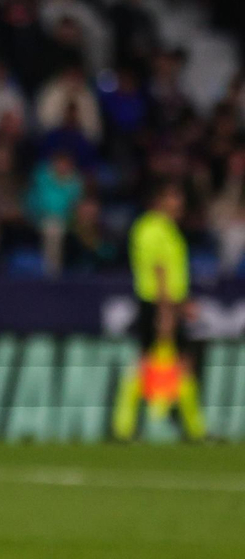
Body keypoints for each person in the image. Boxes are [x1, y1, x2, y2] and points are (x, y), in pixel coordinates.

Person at [113, 180, 206, 441]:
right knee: (158, 365)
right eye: (174, 196)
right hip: (158, 305)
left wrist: (182, 302)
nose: (180, 203)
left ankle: (126, 428)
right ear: (159, 200)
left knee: (167, 363)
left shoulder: (165, 228)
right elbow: (159, 270)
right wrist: (168, 310)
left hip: (166, 304)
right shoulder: (152, 228)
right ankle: (192, 430)